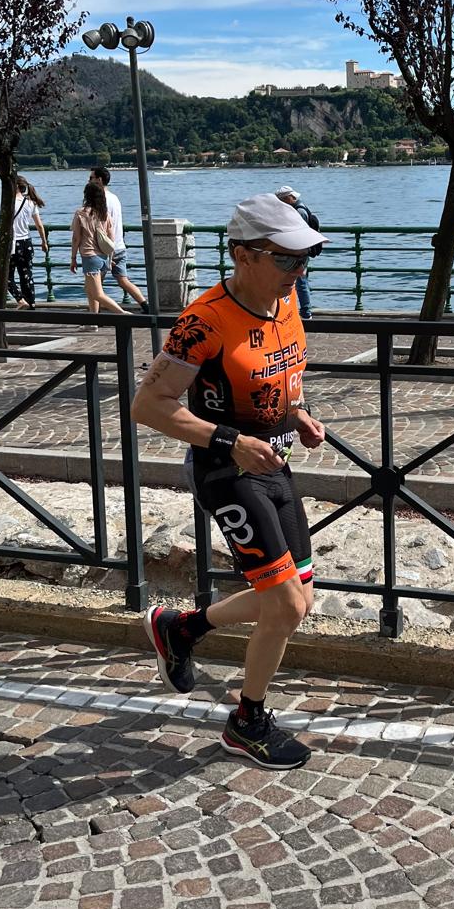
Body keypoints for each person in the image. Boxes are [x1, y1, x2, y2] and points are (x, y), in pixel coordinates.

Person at [132, 193, 328, 769]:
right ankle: (247, 721)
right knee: (285, 605)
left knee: (299, 599)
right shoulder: (204, 321)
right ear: (243, 255)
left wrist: (298, 415)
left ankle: (181, 628)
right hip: (225, 470)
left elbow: (284, 377)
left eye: (305, 258)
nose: (299, 270)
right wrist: (229, 440)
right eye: (287, 258)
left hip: (274, 463)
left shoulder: (286, 302)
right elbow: (148, 405)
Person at [90, 165, 148, 311]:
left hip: (104, 248)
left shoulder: (99, 200)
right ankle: (145, 305)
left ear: (99, 180)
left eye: (91, 178)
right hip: (119, 245)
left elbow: (101, 225)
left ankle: (94, 316)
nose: (89, 181)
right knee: (123, 280)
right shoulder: (115, 198)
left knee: (95, 285)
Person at [70, 179, 127, 318]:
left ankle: (125, 315)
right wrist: (110, 258)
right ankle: (93, 322)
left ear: (86, 195)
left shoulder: (81, 213)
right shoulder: (105, 214)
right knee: (89, 290)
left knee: (97, 294)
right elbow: (111, 239)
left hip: (90, 256)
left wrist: (73, 258)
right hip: (103, 256)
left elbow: (76, 238)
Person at [275, 185, 320, 320]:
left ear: (289, 197)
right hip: (301, 251)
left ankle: (305, 312)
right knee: (299, 281)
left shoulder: (299, 212)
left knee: (300, 281)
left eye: (282, 200)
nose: (280, 203)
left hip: (299, 252)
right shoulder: (300, 208)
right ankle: (301, 310)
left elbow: (298, 234)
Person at [10, 176, 49, 309]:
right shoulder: (30, 203)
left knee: (6, 276)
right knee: (26, 276)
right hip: (26, 242)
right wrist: (44, 241)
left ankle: (20, 300)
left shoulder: (9, 203)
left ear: (15, 186)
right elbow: (39, 225)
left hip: (13, 243)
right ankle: (31, 304)